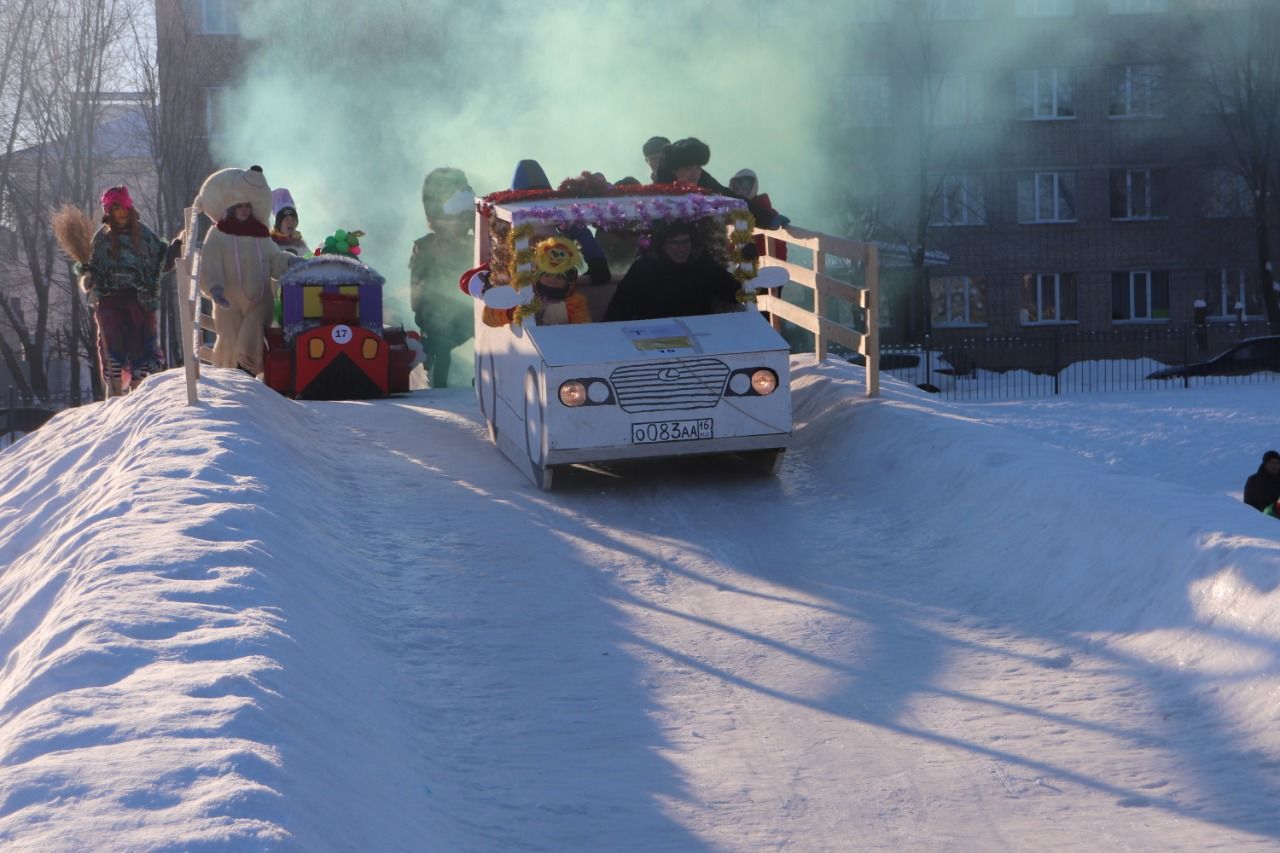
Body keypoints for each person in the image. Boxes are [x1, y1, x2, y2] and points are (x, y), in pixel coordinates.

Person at [196, 165, 295, 376]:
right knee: (229, 339)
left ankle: (247, 374)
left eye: (247, 206)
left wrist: (290, 263)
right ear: (231, 207)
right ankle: (227, 378)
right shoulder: (218, 234)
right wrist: (214, 288)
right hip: (227, 301)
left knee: (251, 337)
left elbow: (275, 259)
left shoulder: (260, 234)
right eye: (240, 206)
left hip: (259, 300)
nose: (244, 210)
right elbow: (210, 262)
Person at [76, 185, 167, 395]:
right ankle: (115, 399)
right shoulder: (101, 240)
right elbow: (91, 265)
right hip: (110, 302)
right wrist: (88, 279)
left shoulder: (145, 236)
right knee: (113, 351)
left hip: (139, 303)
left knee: (140, 351)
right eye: (115, 209)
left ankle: (139, 397)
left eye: (123, 208)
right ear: (109, 212)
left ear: (129, 208)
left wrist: (172, 252)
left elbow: (158, 261)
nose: (121, 214)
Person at [409, 167, 476, 388]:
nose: (458, 224)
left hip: (470, 311)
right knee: (439, 349)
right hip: (436, 313)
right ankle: (436, 384)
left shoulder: (475, 245)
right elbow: (417, 283)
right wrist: (421, 311)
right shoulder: (426, 246)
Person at [603, 219, 744, 322]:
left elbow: (735, 293)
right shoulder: (644, 268)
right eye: (674, 243)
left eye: (685, 241)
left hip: (700, 334)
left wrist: (747, 256)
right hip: (653, 338)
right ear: (663, 245)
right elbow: (618, 309)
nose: (681, 248)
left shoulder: (702, 263)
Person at [653, 137, 732, 194]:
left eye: (698, 167)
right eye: (688, 168)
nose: (695, 173)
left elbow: (728, 195)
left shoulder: (705, 180)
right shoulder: (657, 192)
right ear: (674, 169)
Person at [270, 188, 309, 256]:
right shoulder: (270, 243)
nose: (291, 223)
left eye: (293, 220)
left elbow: (311, 259)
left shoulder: (300, 245)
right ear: (279, 224)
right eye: (287, 220)